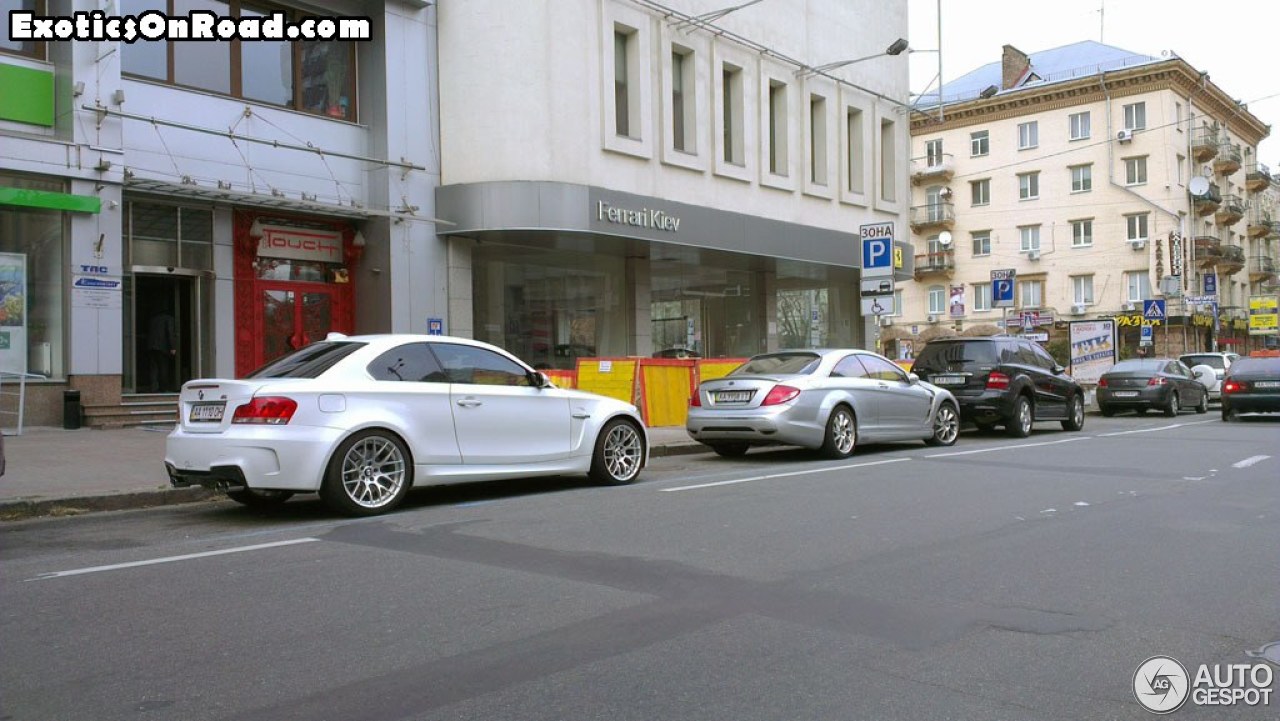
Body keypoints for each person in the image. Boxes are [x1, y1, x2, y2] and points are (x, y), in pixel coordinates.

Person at [147, 306, 177, 392]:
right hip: (162, 347)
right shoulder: (169, 319)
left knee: (154, 368)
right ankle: (164, 388)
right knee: (163, 367)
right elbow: (170, 332)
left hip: (151, 346)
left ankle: (153, 388)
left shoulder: (153, 319)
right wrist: (173, 347)